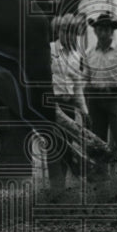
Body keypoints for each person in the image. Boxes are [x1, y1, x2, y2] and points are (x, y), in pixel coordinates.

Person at [84, 11, 117, 169]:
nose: (103, 33)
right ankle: (101, 182)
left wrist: (116, 87)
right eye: (100, 29)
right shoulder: (89, 53)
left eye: (107, 30)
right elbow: (84, 78)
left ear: (112, 31)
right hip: (95, 102)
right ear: (95, 31)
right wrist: (87, 88)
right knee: (97, 143)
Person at [48, 14, 89, 190]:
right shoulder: (48, 50)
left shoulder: (77, 55)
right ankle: (56, 187)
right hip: (51, 104)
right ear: (59, 31)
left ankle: (61, 187)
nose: (69, 35)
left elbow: (78, 86)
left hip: (69, 105)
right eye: (65, 30)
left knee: (67, 147)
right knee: (54, 146)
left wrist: (85, 111)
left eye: (73, 31)